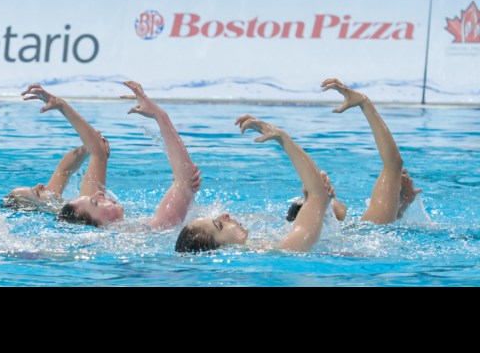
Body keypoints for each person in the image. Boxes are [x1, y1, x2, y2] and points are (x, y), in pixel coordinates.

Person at [20, 82, 201, 229]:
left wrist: (62, 105)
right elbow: (185, 183)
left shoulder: (84, 211)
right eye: (95, 203)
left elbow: (94, 154)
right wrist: (159, 116)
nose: (99, 193)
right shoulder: (141, 234)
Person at [175, 115, 332, 253]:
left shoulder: (267, 250)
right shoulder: (287, 249)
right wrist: (282, 138)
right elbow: (319, 195)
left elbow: (317, 196)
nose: (225, 215)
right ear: (222, 248)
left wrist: (310, 200)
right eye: (219, 225)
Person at [321, 78, 421, 224]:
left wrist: (402, 206)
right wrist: (364, 103)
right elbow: (393, 164)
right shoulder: (364, 233)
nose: (330, 190)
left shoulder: (355, 233)